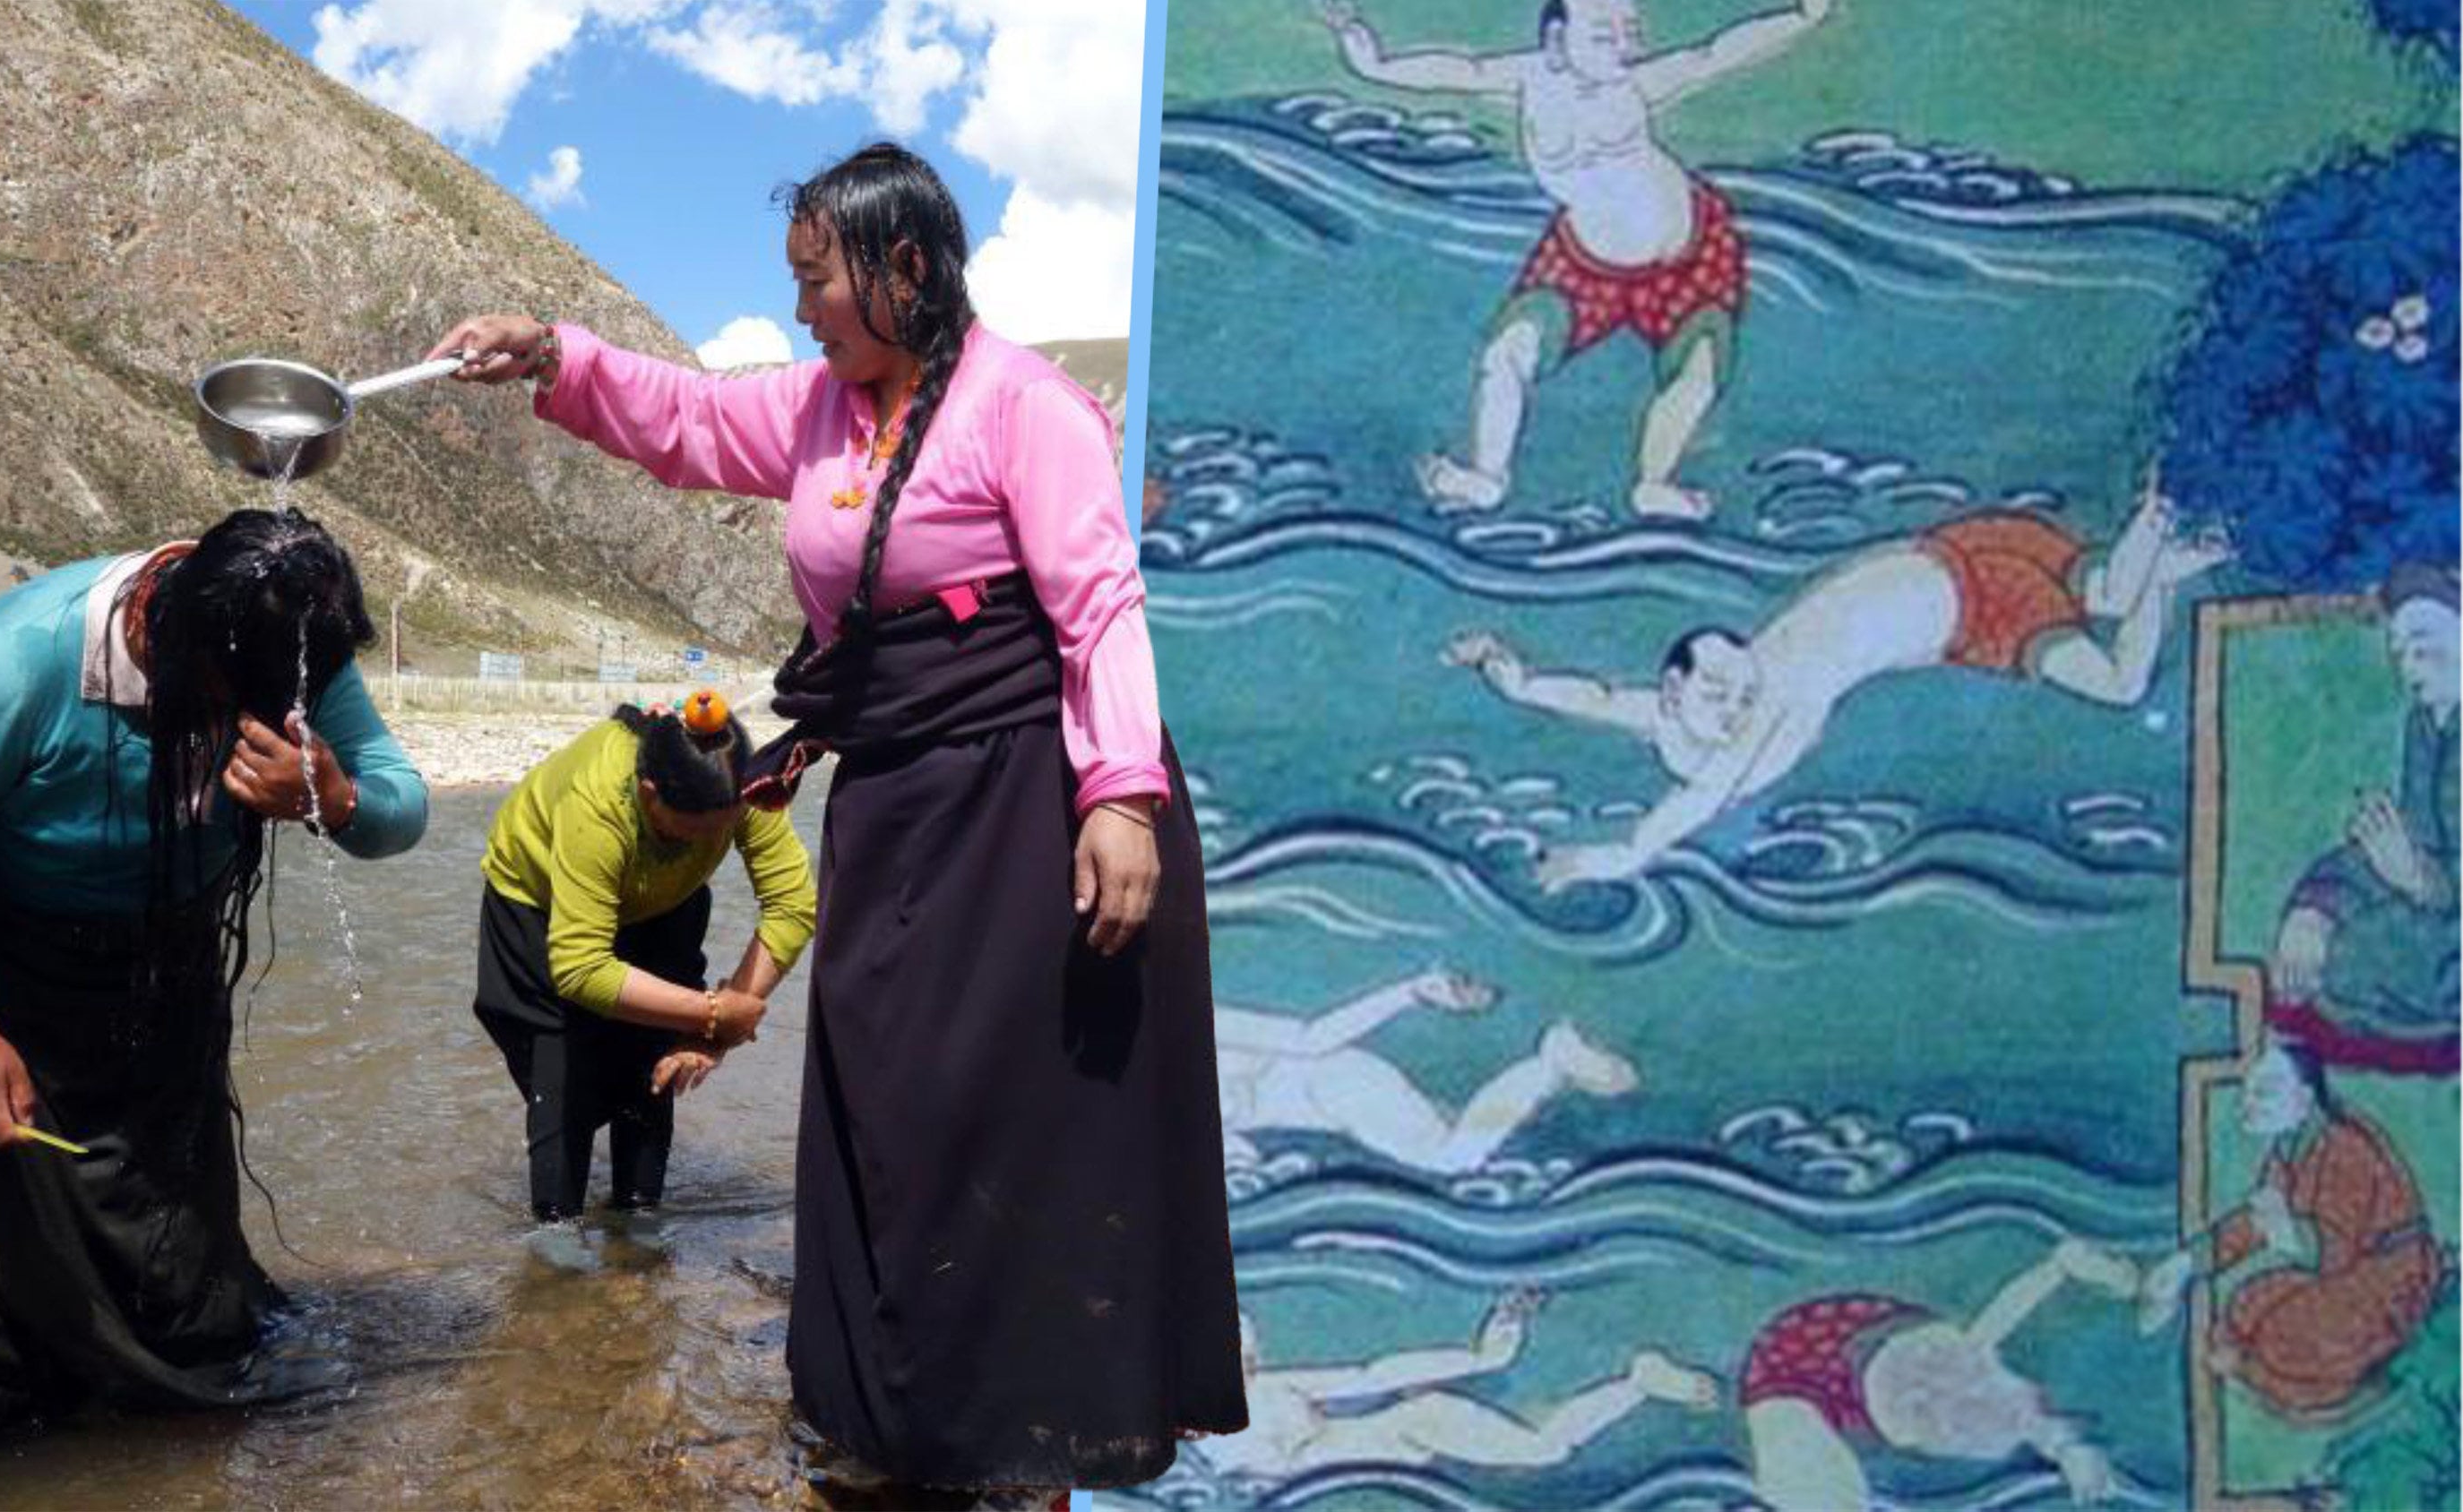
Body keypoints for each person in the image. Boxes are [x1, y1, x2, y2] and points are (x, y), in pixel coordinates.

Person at [427, 142, 1246, 1491]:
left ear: (902, 268)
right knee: (884, 1102)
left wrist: (1122, 805)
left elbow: (1100, 611)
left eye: (817, 280)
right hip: (898, 809)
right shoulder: (819, 413)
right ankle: (889, 1417)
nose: (802, 308)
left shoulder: (1028, 408)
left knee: (1014, 1120)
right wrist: (553, 357)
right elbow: (686, 421)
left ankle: (1023, 1432)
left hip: (1027, 807)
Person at [0, 509, 426, 1439]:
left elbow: (400, 810)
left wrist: (334, 795)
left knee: (180, 1304)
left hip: (156, 982)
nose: (240, 723)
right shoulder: (23, 664)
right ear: (155, 634)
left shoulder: (289, 642)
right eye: (216, 699)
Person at [1447, 479, 2229, 884]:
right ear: (1674, 692)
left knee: (2117, 631)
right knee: (2118, 640)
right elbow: (1600, 699)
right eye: (1720, 693)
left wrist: (1613, 857)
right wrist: (1513, 679)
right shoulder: (1677, 711)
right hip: (1960, 569)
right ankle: (2173, 551)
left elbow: (1700, 798)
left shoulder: (1765, 712)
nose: (1738, 702)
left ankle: (2171, 504)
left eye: (1740, 687)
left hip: (1976, 599)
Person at [1316, 0, 1834, 520]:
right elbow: (1443, 71)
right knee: (1506, 354)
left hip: (1690, 252)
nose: (1628, 46)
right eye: (1608, 34)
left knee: (1696, 372)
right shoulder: (1528, 77)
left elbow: (1715, 54)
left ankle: (1655, 482)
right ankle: (1485, 478)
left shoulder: (1636, 84)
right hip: (1584, 262)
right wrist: (1364, 50)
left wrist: (1804, 16)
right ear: (1558, 39)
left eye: (1632, 31)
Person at [472, 689, 814, 1257]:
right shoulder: (600, 804)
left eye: (722, 833)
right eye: (691, 834)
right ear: (651, 794)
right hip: (540, 906)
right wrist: (710, 1009)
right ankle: (556, 1244)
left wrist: (716, 1028)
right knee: (563, 1075)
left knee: (655, 1062)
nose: (705, 848)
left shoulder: (742, 787)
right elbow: (580, 967)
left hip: (661, 904)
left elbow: (792, 903)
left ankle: (639, 1220)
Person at [2135, 1039, 2447, 1420]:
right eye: (2248, 1092)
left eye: (2264, 1093)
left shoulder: (2346, 1149)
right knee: (2244, 1304)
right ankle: (2266, 1364)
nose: (2247, 1104)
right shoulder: (2288, 1149)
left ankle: (2343, 1373)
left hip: (2389, 1276)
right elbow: (2251, 1225)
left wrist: (2283, 1227)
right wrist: (2184, 1265)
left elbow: (2334, 1252)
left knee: (2288, 1340)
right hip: (2336, 1272)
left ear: (2303, 1099)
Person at [1741, 1238, 2139, 1511]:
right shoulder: (1966, 1363)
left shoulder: (1990, 1397)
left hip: (1841, 1357)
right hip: (1812, 1356)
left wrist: (2068, 1450)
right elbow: (2015, 1306)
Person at [2267, 563, 2459, 1069]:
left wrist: (2422, 882)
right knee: (2324, 951)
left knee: (2355, 963)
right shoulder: (2429, 724)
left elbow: (2428, 873)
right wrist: (2316, 909)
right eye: (2400, 654)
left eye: (2424, 646)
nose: (2409, 668)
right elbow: (2402, 844)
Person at [1204, 1290, 1718, 1478]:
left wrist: (1484, 1353)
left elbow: (1375, 1375)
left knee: (1544, 1451)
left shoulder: (1269, 1389)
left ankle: (1639, 1383)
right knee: (1545, 1449)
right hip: (1394, 1445)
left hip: (1412, 1430)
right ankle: (1638, 1383)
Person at [1217, 967, 1636, 1174]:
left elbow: (1311, 1038)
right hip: (1340, 1108)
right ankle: (1547, 1072)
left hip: (1343, 1086)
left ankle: (1550, 1064)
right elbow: (1243, 1156)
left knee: (1451, 1158)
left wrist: (1412, 992)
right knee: (1459, 1132)